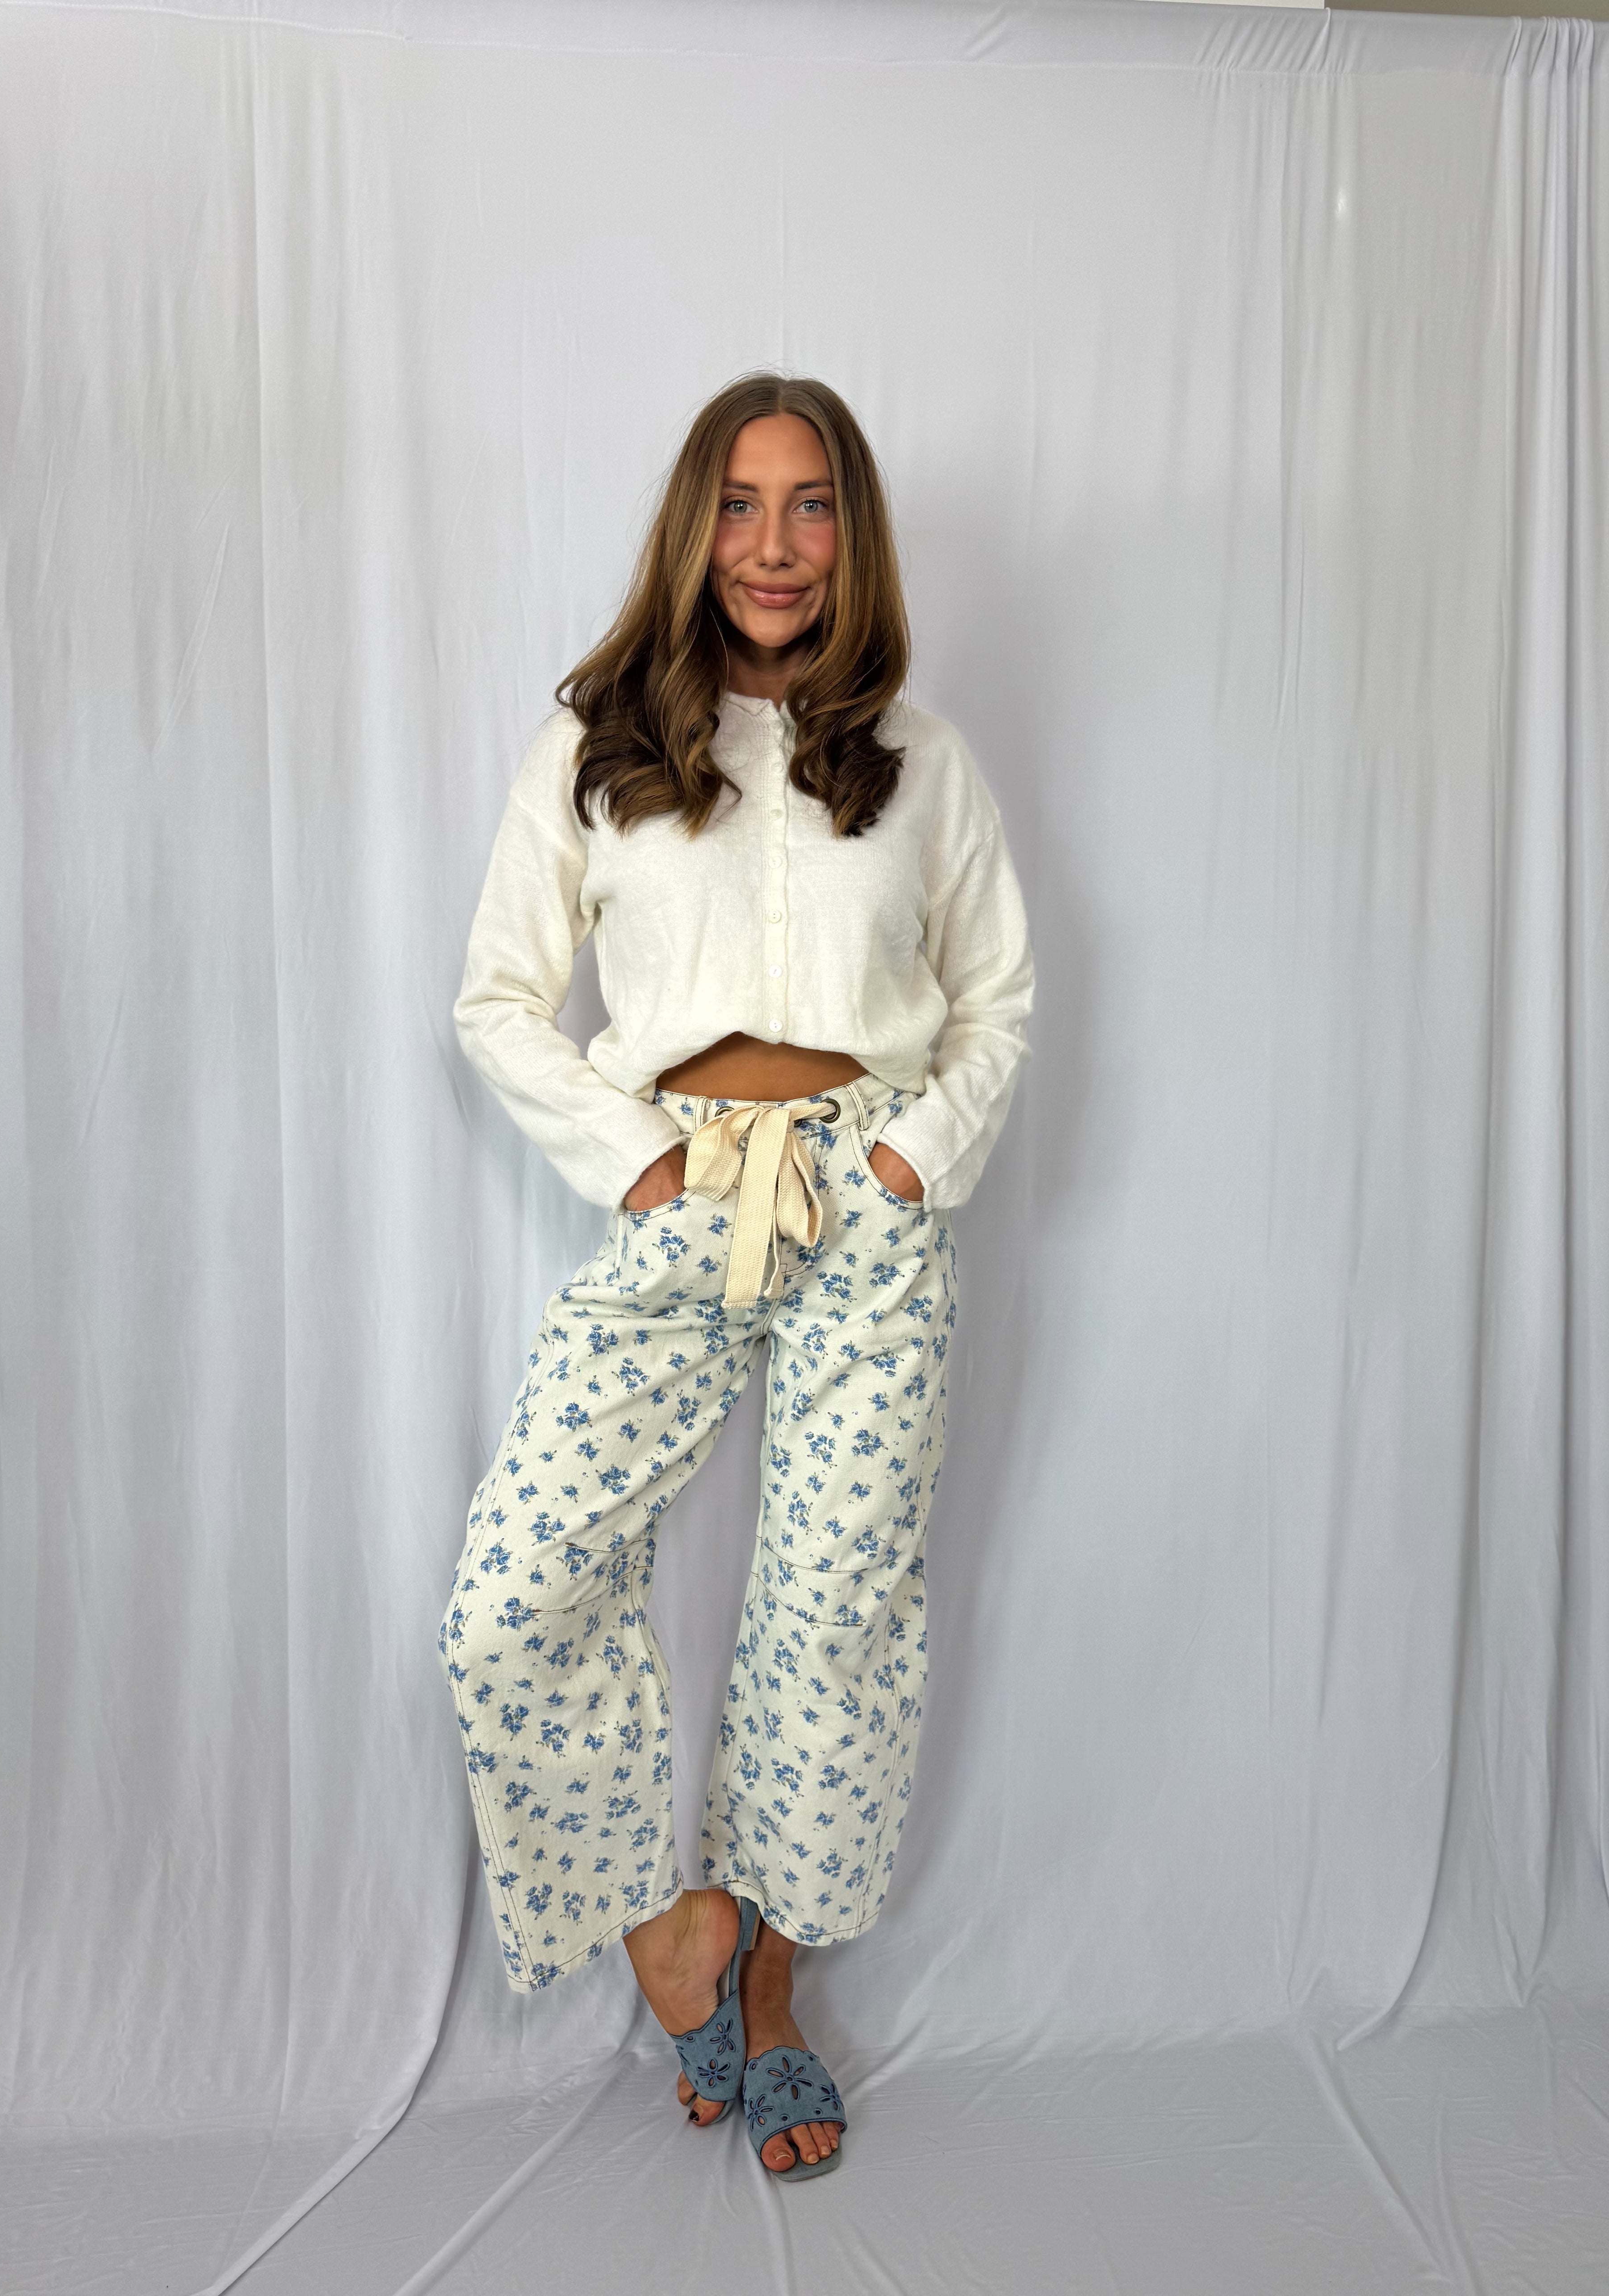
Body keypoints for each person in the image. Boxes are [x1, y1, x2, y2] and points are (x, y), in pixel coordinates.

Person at [439, 372, 1033, 2181]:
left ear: (852, 534)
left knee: (832, 1614)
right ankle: (666, 1933)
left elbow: (998, 997)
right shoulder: (600, 743)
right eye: (742, 503)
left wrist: (919, 1157)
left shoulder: (923, 760)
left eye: (814, 505)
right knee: (512, 1592)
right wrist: (642, 1164)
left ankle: (771, 1994)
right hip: (687, 1187)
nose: (776, 544)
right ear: (696, 525)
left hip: (867, 1196)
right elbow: (493, 998)